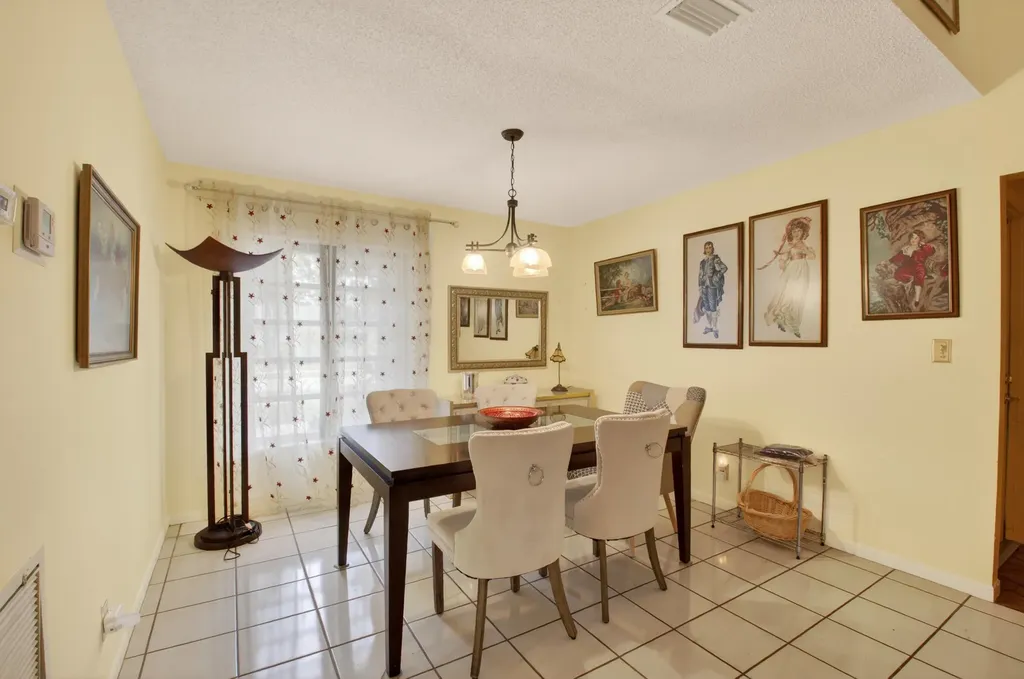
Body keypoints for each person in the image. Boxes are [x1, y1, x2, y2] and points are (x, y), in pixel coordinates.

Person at [763, 217, 815, 338]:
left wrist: (805, 250)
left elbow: (812, 256)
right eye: (794, 231)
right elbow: (783, 258)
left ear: (803, 232)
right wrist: (782, 261)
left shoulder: (805, 244)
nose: (796, 233)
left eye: (799, 231)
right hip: (792, 269)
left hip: (802, 269)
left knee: (800, 294)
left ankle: (793, 323)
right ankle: (781, 317)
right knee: (788, 294)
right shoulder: (789, 245)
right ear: (791, 233)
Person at [887, 229, 935, 310]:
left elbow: (931, 251)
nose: (913, 240)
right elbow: (897, 257)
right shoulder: (906, 248)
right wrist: (890, 261)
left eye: (916, 238)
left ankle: (917, 300)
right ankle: (911, 280)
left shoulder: (922, 248)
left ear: (920, 239)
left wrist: (924, 245)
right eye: (912, 237)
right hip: (907, 267)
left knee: (919, 276)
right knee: (898, 274)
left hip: (918, 267)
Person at [693, 241, 728, 338]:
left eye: (710, 247)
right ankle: (709, 326)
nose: (708, 249)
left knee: (713, 307)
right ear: (704, 249)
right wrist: (700, 286)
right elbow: (700, 275)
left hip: (712, 286)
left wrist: (716, 277)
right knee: (707, 307)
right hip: (704, 286)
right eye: (706, 248)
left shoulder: (715, 259)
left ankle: (715, 328)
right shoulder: (702, 262)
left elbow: (724, 268)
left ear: (712, 249)